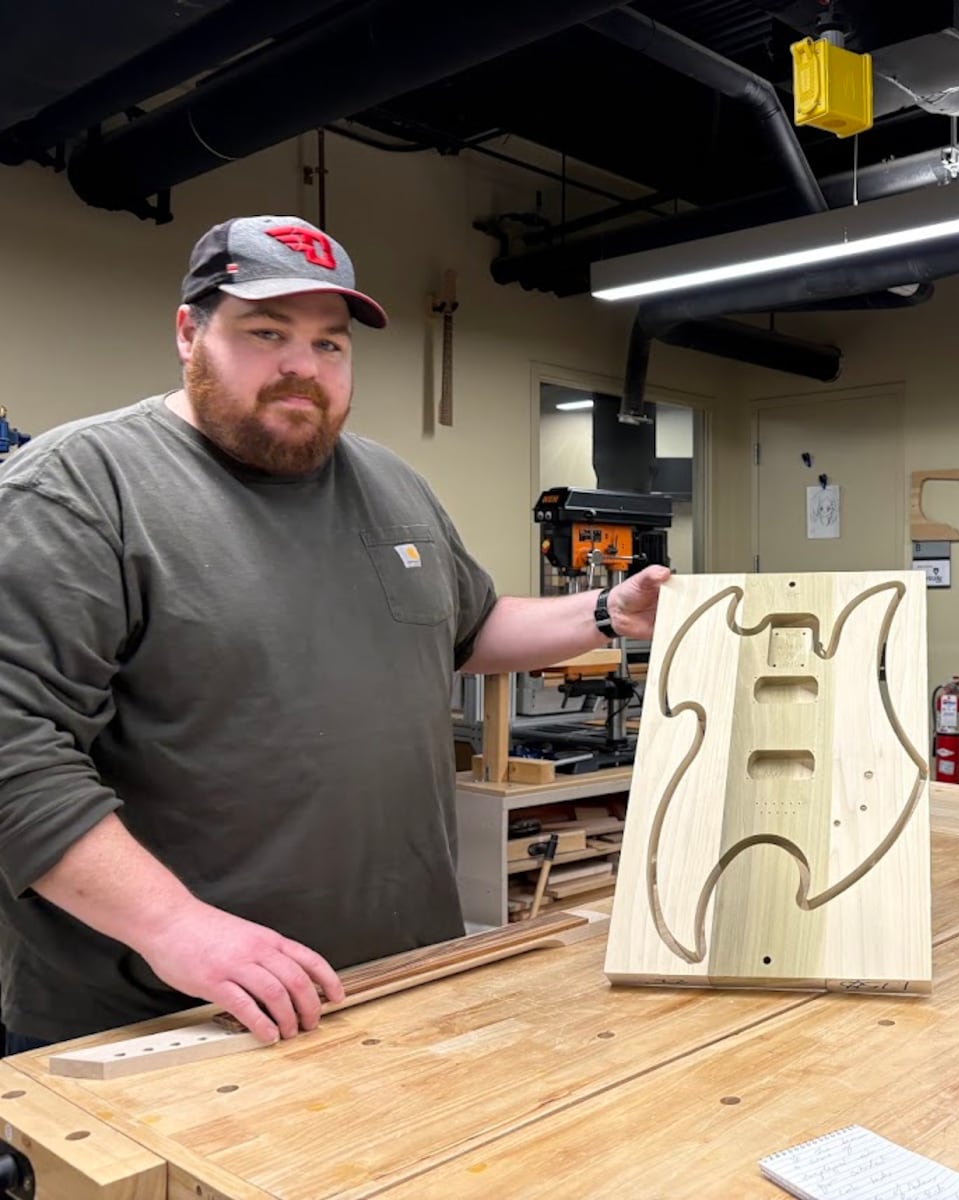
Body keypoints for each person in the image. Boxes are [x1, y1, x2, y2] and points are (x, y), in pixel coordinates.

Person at [0, 215, 669, 1056]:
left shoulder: (391, 483)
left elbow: (469, 627)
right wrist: (179, 928)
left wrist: (609, 614)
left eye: (329, 343)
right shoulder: (80, 491)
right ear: (188, 333)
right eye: (266, 332)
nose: (300, 367)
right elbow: (14, 752)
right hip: (166, 1019)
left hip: (393, 982)